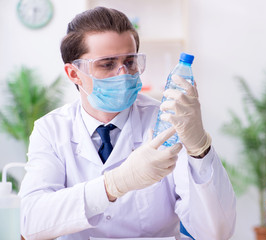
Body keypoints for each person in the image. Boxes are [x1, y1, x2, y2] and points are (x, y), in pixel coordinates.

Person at [19, 6, 236, 240]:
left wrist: (199, 149)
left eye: (130, 62)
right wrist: (114, 184)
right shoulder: (51, 130)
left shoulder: (166, 122)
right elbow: (31, 223)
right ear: (73, 74)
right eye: (107, 64)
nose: (123, 74)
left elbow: (217, 233)